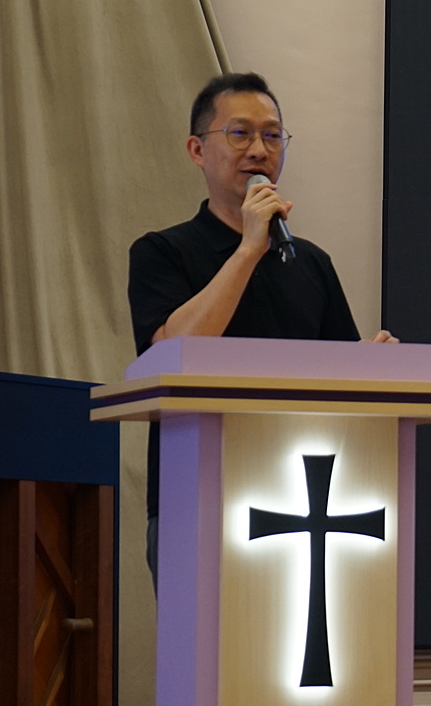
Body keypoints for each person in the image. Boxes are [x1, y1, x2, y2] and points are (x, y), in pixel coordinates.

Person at [127, 73, 395, 583]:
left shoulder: (309, 262)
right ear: (197, 150)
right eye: (240, 134)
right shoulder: (163, 252)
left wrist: (375, 364)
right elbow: (173, 353)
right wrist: (250, 247)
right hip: (198, 494)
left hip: (311, 505)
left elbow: (342, 379)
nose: (258, 150)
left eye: (272, 136)